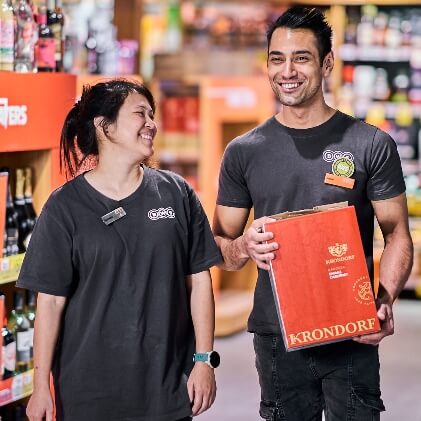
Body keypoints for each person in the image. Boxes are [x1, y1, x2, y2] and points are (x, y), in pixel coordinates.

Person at [213, 6, 413, 421]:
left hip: (352, 330)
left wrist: (385, 299)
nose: (288, 71)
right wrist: (245, 247)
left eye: (301, 58)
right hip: (277, 334)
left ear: (326, 64)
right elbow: (221, 248)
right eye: (277, 58)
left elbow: (396, 233)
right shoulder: (243, 152)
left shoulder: (369, 144)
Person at [17, 79, 222, 421]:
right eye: (140, 113)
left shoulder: (176, 194)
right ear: (104, 126)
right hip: (88, 394)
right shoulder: (65, 206)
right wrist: (40, 387)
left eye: (152, 115)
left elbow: (199, 281)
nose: (151, 123)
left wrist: (204, 360)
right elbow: (50, 303)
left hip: (166, 389)